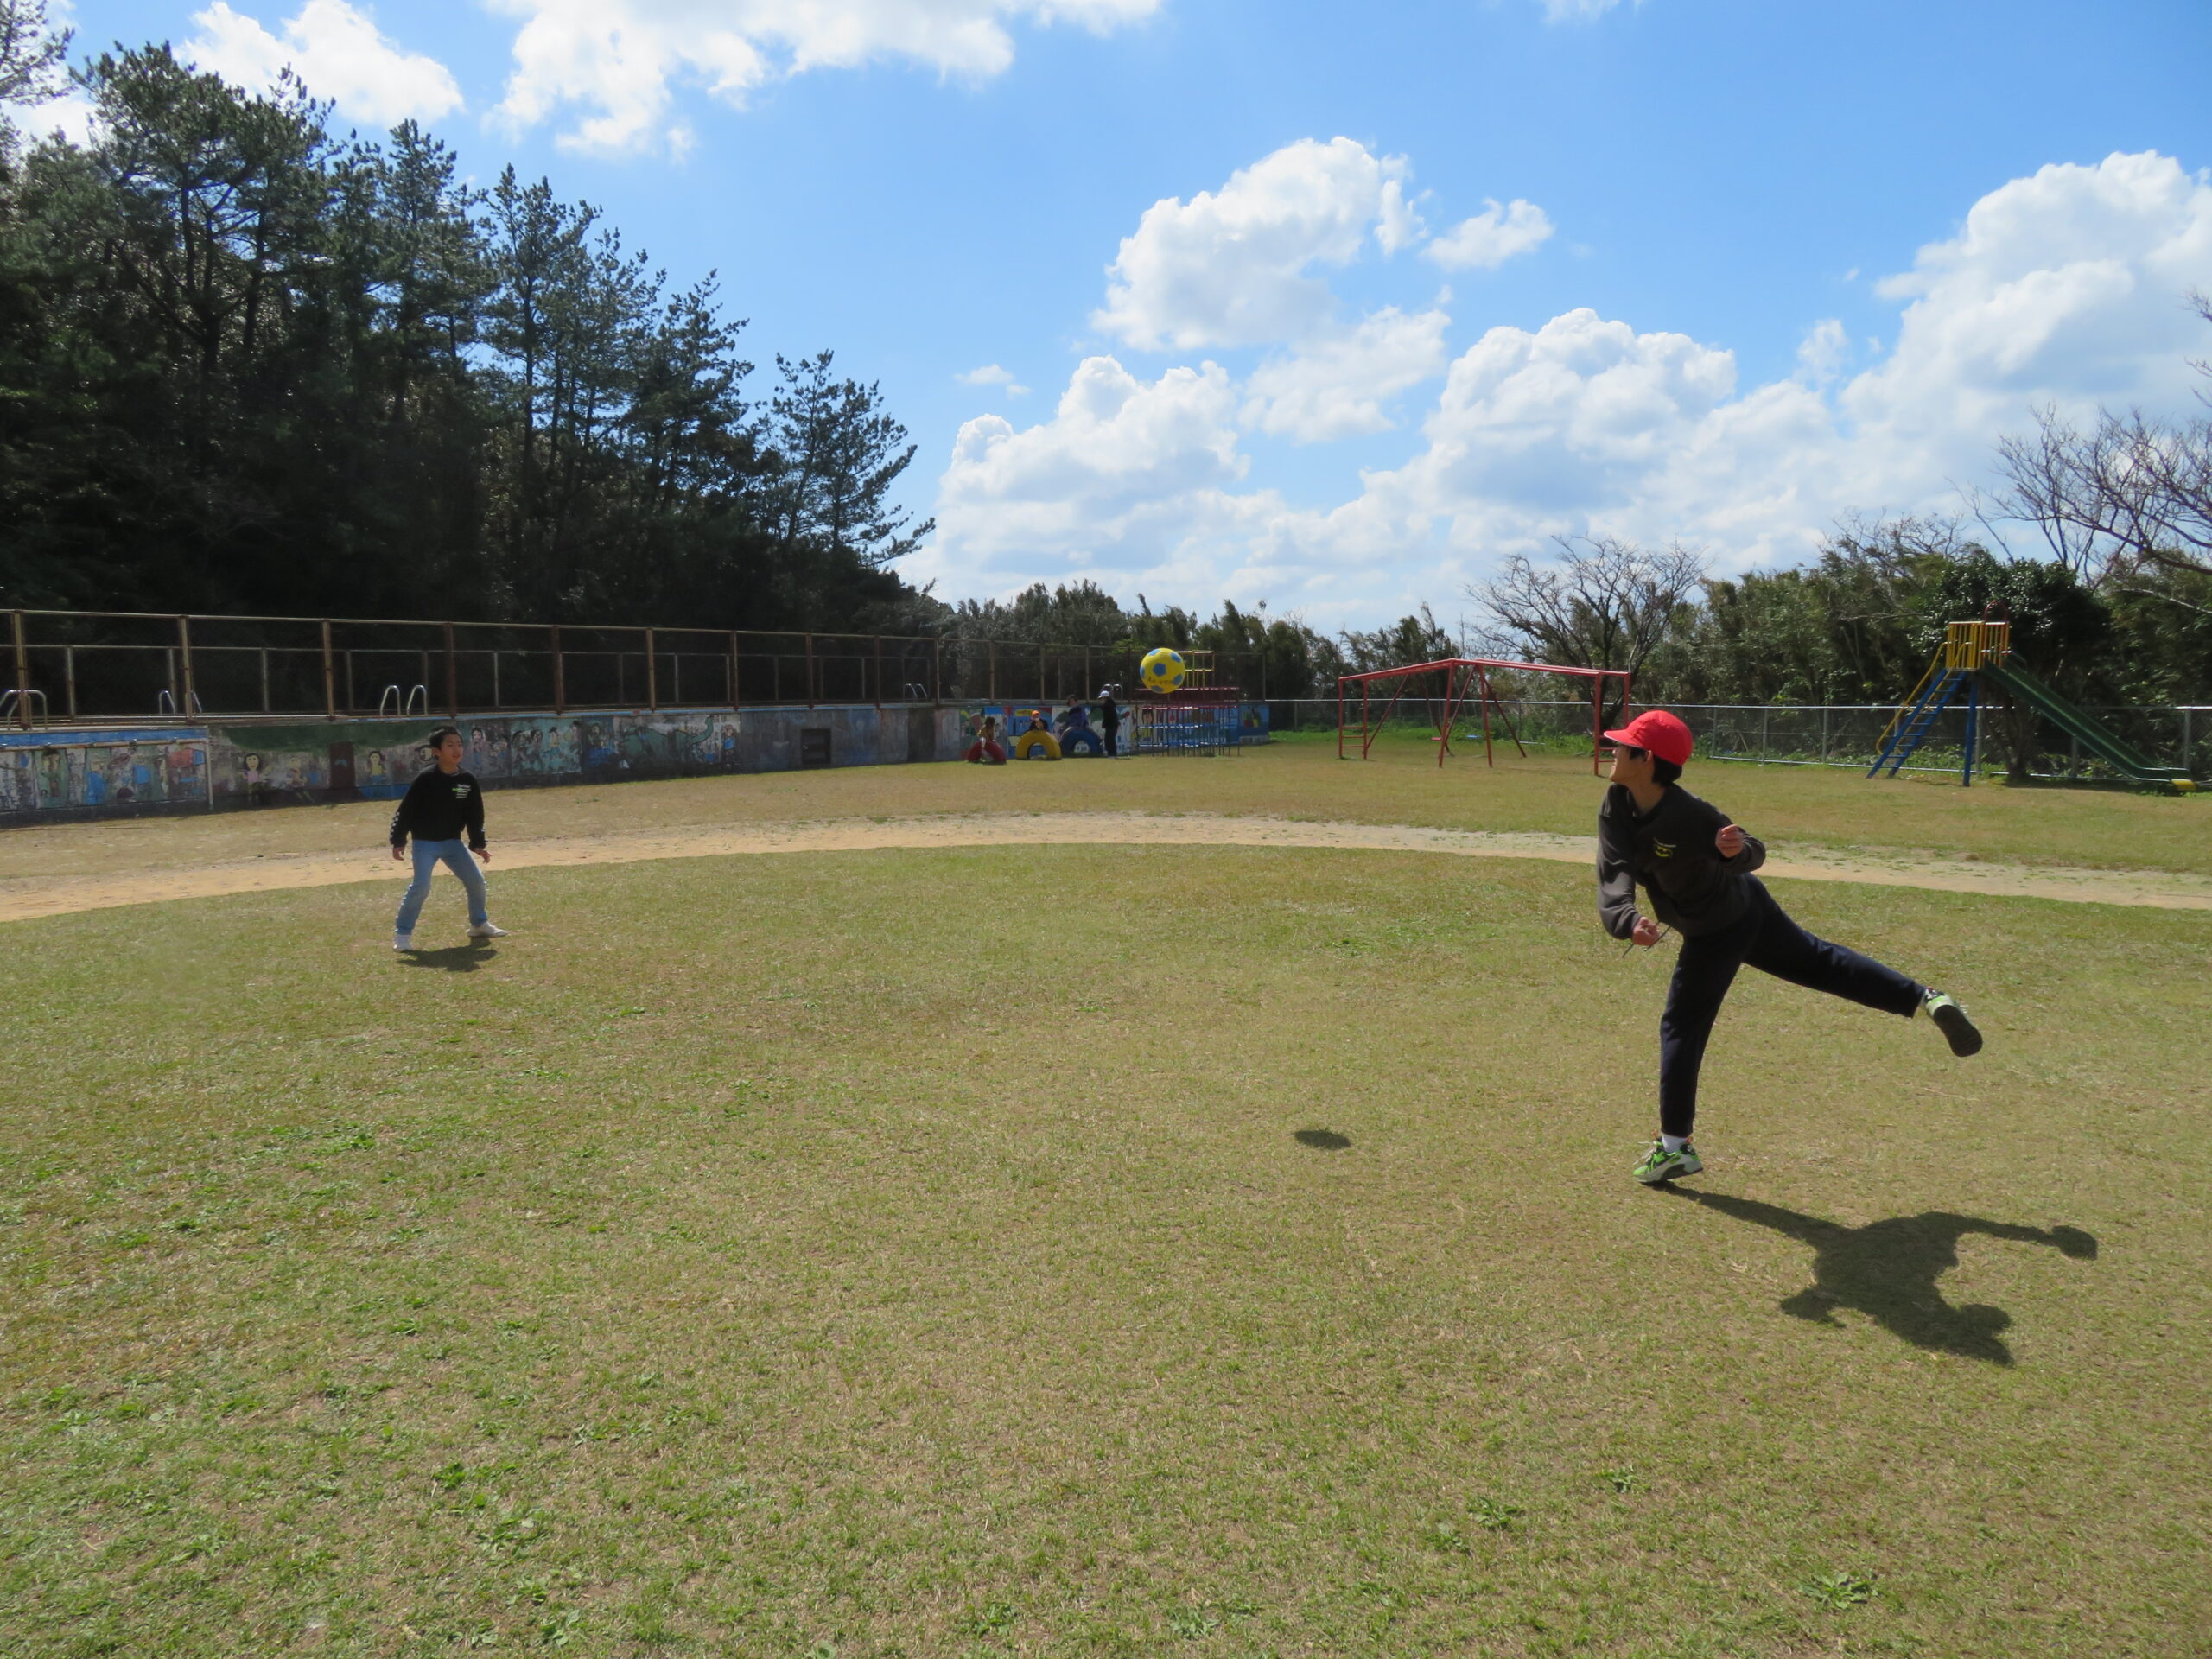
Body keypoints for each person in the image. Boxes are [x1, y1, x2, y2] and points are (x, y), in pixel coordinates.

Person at [1596, 709, 1980, 1185]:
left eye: (1622, 744)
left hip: (1721, 924)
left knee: (1681, 1025)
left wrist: (1736, 851)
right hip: (1740, 913)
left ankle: (1675, 1148)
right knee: (1820, 962)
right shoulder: (1617, 802)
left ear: (1646, 758)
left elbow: (1750, 849)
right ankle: (1927, 998)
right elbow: (1615, 868)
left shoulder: (1691, 812)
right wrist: (1627, 920)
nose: (1612, 749)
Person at [389, 725, 508, 950]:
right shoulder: (425, 779)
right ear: (436, 751)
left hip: (452, 843)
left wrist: (478, 844)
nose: (457, 749)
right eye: (450, 745)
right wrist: (398, 840)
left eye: (459, 744)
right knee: (421, 887)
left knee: (476, 881)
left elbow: (475, 814)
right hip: (425, 843)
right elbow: (406, 811)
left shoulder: (467, 780)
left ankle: (479, 924)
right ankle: (402, 935)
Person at [1097, 687, 1122, 758]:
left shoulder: (1107, 706)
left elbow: (1108, 716)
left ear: (1105, 698)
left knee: (1110, 740)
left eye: (1102, 698)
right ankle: (1112, 754)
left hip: (1111, 725)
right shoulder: (1111, 704)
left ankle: (1112, 754)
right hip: (1112, 725)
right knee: (1109, 739)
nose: (1101, 700)